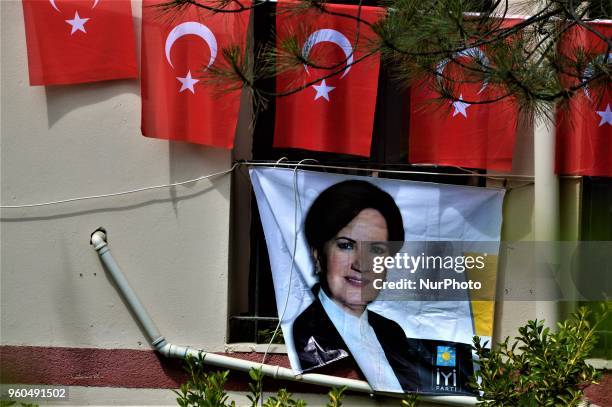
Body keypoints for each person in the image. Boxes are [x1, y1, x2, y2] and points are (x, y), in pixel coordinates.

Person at [292, 180, 475, 394]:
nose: (362, 264)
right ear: (317, 254)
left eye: (377, 250)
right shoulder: (307, 336)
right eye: (346, 245)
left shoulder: (391, 331)